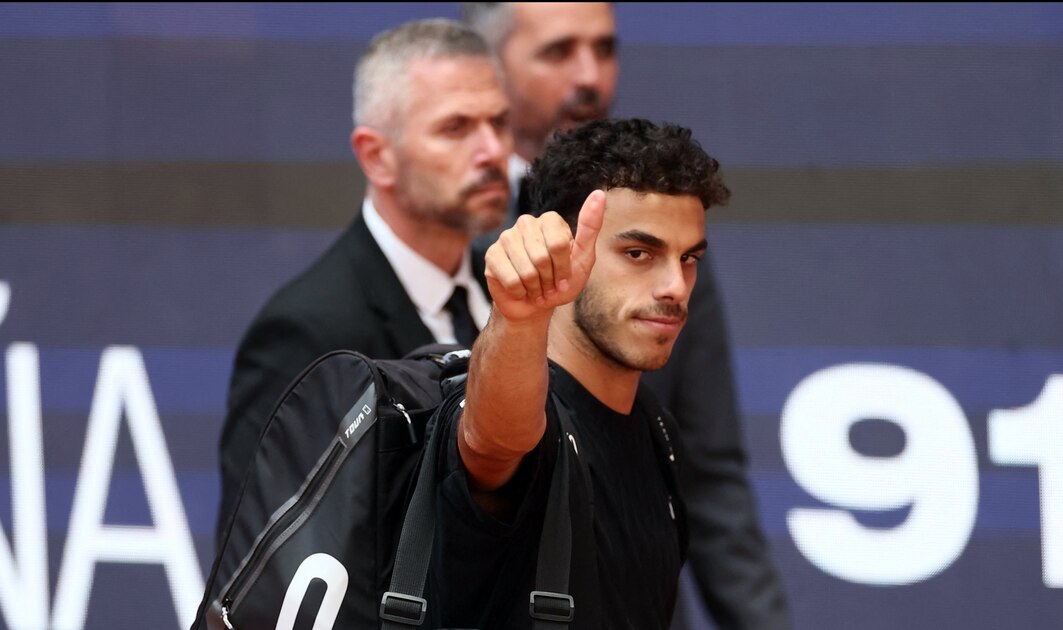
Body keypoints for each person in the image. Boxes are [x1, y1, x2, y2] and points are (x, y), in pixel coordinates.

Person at [462, 4, 792, 628]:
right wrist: (519, 320)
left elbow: (710, 476)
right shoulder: (438, 235)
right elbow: (489, 444)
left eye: (605, 49)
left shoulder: (668, 223)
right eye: (558, 52)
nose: (589, 76)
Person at [215, 19, 511, 534]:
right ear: (377, 157)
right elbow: (260, 563)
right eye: (456, 128)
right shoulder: (308, 332)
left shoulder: (514, 299)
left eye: (500, 123)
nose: (493, 152)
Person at [432, 117, 727, 629]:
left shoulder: (656, 427)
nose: (676, 287)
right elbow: (491, 442)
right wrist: (519, 316)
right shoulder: (531, 422)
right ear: (568, 251)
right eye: (639, 253)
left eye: (689, 259)